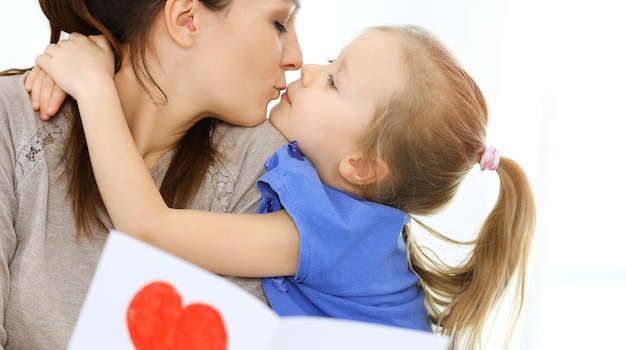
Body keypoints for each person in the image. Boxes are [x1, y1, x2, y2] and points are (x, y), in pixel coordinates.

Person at [35, 24, 536, 349]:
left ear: (361, 167)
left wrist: (94, 88)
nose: (308, 68)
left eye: (335, 81)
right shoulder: (350, 212)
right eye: (332, 60)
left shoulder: (332, 234)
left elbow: (149, 227)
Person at [0, 0, 303, 349]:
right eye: (279, 23)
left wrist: (94, 87)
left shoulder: (267, 171)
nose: (297, 58)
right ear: (186, 19)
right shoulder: (17, 122)